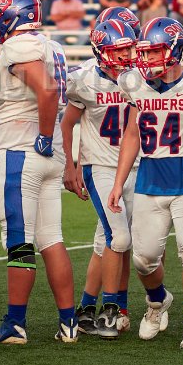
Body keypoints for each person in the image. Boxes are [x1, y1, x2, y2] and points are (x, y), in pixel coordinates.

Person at [107, 17, 183, 349]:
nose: (147, 59)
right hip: (150, 177)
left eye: (155, 52)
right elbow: (132, 134)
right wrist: (119, 182)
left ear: (175, 51)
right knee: (143, 259)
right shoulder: (133, 83)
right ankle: (157, 300)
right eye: (145, 52)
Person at [0, 0, 77, 345]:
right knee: (52, 238)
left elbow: (47, 91)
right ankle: (68, 323)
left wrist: (44, 136)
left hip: (23, 149)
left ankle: (15, 324)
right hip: (49, 155)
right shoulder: (52, 45)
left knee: (19, 241)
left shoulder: (19, 45)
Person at [60, 19, 138, 338]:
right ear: (101, 52)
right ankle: (111, 309)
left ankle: (86, 309)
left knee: (107, 242)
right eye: (119, 51)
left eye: (128, 49)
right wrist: (71, 166)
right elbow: (67, 124)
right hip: (102, 166)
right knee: (118, 239)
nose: (126, 56)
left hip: (137, 166)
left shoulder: (142, 76)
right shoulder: (83, 80)